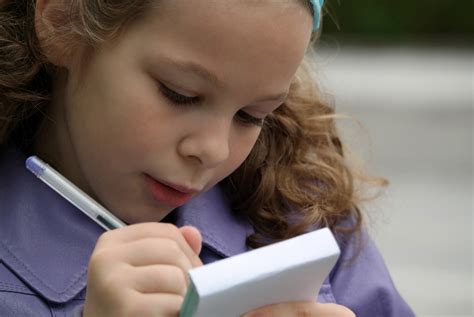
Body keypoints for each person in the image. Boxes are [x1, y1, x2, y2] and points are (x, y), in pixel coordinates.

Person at [0, 0, 415, 316]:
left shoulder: (302, 212)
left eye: (252, 116)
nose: (213, 150)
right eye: (180, 93)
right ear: (62, 21)